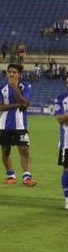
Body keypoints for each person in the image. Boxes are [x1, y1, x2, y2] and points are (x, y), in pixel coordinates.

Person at [0, 63, 36, 186]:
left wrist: (15, 88)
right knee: (5, 150)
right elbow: (0, 107)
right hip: (5, 124)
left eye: (14, 72)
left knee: (24, 150)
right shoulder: (1, 87)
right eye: (10, 72)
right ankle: (10, 175)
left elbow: (25, 104)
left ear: (19, 74)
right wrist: (17, 105)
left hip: (20, 124)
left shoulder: (26, 86)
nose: (12, 74)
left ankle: (27, 177)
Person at [55, 81, 68, 210]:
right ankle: (67, 199)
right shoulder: (61, 98)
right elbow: (59, 119)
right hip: (67, 142)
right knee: (67, 170)